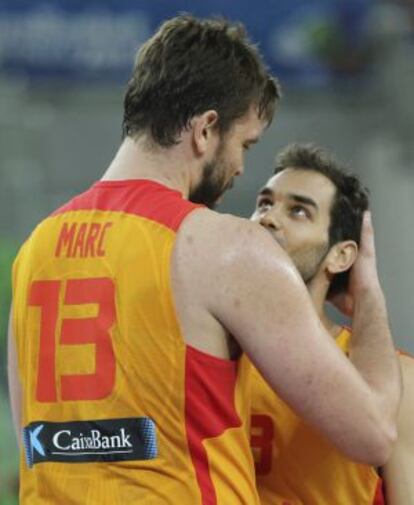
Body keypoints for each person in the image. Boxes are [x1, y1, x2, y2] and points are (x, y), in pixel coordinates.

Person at [8, 15, 401, 505]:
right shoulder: (222, 246)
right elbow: (372, 432)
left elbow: (33, 437)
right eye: (244, 144)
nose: (239, 166)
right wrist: (368, 298)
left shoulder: (35, 250)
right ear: (205, 129)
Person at [249, 143, 414, 505]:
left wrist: (368, 291)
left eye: (298, 211)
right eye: (264, 203)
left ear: (340, 256)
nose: (268, 218)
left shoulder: (400, 382)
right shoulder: (207, 354)